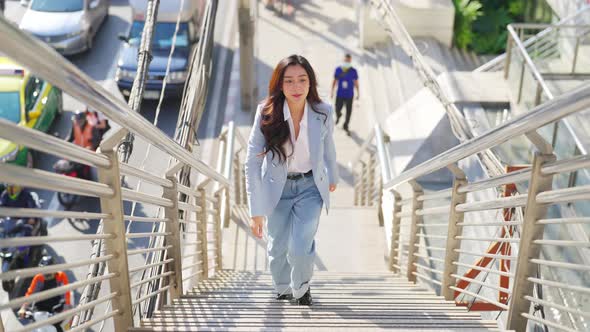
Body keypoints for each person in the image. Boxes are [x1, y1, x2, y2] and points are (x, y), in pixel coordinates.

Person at [245, 55, 338, 306]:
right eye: (289, 81)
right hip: (277, 187)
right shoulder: (266, 112)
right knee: (277, 246)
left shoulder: (323, 111)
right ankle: (282, 287)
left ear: (311, 83)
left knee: (300, 245)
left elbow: (328, 146)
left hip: (310, 187)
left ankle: (302, 287)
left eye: (302, 80)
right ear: (280, 85)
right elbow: (252, 161)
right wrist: (255, 211)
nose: (296, 87)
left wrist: (333, 175)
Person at [18, 255, 71, 332]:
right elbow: (30, 294)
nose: (46, 275)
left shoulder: (61, 276)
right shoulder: (38, 278)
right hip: (40, 311)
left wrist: (65, 309)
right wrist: (23, 308)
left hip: (56, 310)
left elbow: (66, 295)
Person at [330, 53, 359, 136]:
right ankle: (338, 115)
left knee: (349, 112)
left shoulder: (353, 71)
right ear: (343, 60)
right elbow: (334, 81)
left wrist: (358, 92)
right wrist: (332, 91)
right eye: (346, 61)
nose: (347, 62)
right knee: (337, 108)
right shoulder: (338, 70)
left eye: (348, 61)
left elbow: (356, 82)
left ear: (350, 62)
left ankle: (345, 125)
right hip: (340, 94)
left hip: (349, 95)